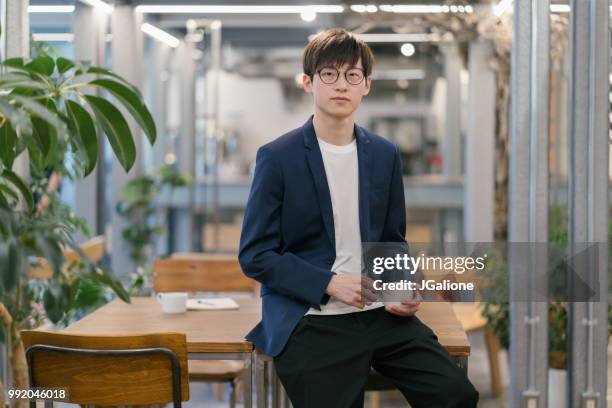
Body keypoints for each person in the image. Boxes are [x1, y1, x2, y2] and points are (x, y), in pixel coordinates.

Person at [239, 28, 479, 408]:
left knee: (456, 394)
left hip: (381, 315)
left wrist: (402, 287)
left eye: (352, 75)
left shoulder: (384, 155)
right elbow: (255, 255)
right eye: (329, 74)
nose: (341, 84)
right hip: (311, 319)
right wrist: (330, 283)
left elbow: (392, 241)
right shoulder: (277, 157)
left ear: (366, 85)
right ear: (308, 82)